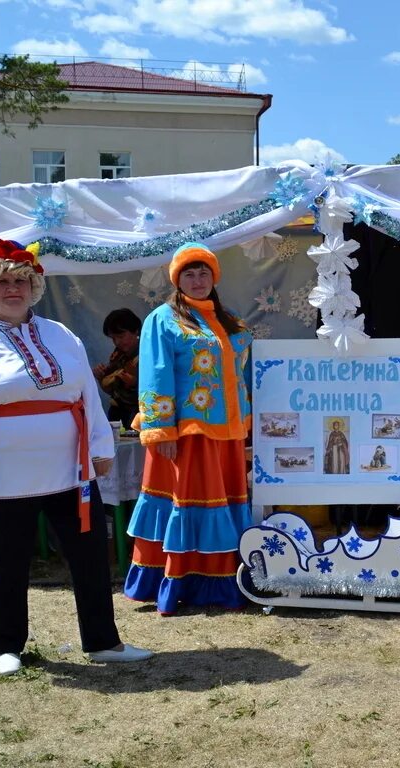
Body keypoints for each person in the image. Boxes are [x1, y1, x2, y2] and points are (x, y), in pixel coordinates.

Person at [0, 238, 153, 675]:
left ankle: (103, 641)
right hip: (6, 478)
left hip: (71, 472)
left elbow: (87, 397)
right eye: (1, 282)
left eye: (21, 280)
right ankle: (7, 647)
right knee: (8, 562)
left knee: (90, 557)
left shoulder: (62, 336)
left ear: (34, 284)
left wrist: (100, 448)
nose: (12, 289)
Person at [124, 242, 253, 614]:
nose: (197, 281)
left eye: (203, 273)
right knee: (191, 502)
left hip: (227, 433)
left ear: (214, 278)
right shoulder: (162, 319)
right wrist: (161, 429)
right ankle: (183, 581)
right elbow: (156, 374)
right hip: (188, 434)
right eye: (189, 274)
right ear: (177, 280)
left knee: (222, 503)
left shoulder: (228, 319)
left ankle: (223, 581)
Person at [92, 308, 141, 429]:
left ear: (136, 331)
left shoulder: (148, 353)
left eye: (121, 336)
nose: (117, 342)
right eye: (113, 338)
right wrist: (101, 377)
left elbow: (157, 391)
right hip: (117, 414)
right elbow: (112, 391)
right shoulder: (117, 355)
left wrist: (134, 383)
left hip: (139, 415)